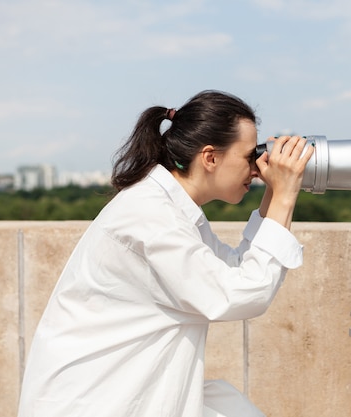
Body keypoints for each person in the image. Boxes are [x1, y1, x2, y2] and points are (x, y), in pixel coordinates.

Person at [17, 90, 315, 417]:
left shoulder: (169, 208)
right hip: (94, 400)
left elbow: (235, 269)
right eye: (249, 157)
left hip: (123, 392)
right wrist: (285, 193)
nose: (257, 169)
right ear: (210, 158)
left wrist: (275, 190)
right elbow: (239, 295)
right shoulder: (151, 216)